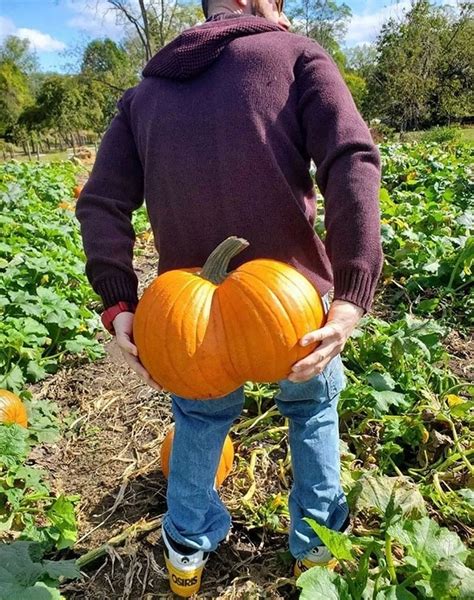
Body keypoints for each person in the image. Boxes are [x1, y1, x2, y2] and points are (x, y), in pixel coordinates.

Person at [76, 0, 383, 595]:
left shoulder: (145, 93)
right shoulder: (296, 56)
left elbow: (101, 201)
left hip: (189, 319)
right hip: (293, 305)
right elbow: (352, 160)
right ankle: (316, 548)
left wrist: (119, 302)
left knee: (199, 418)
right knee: (312, 410)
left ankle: (187, 548)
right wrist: (350, 288)